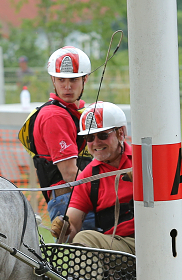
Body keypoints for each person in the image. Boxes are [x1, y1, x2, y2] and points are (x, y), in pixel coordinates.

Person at [50, 102, 135, 254]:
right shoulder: (88, 176)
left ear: (120, 133)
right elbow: (73, 228)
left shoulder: (143, 159)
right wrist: (63, 229)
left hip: (151, 239)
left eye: (103, 135)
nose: (95, 143)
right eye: (89, 137)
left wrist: (147, 177)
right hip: (116, 247)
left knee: (85, 238)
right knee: (82, 238)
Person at [30, 46, 95, 232]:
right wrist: (105, 187)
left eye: (73, 79)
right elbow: (69, 174)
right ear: (53, 80)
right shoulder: (55, 116)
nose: (67, 86)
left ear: (85, 79)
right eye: (61, 80)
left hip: (75, 196)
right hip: (69, 199)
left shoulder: (74, 112)